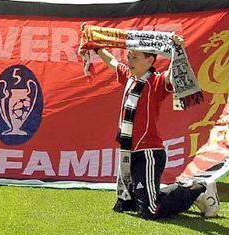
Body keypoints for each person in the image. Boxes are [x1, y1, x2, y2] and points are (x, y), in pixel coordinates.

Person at [90, 41, 218, 220]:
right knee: (128, 204)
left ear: (150, 60)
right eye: (129, 56)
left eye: (135, 57)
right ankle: (187, 192)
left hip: (148, 152)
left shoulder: (156, 81)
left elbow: (173, 74)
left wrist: (176, 50)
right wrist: (95, 46)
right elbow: (112, 62)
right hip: (129, 150)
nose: (129, 60)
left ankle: (200, 188)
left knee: (150, 210)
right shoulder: (129, 76)